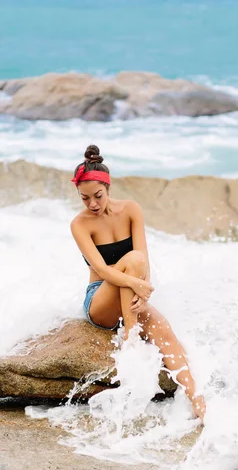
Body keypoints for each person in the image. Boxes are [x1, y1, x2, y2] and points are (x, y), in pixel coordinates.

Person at [70, 144, 206, 421]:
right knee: (131, 260)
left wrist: (142, 291)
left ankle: (198, 403)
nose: (93, 204)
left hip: (131, 293)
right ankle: (131, 338)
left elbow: (144, 257)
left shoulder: (131, 209)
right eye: (85, 199)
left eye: (98, 196)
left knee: (165, 331)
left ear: (108, 188)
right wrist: (140, 285)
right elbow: (102, 270)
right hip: (101, 301)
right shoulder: (79, 224)